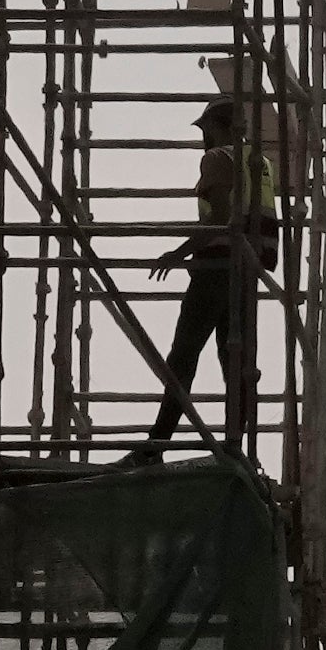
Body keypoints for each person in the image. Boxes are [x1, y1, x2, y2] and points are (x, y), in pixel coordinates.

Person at [125, 97, 275, 463]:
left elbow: (221, 216)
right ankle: (237, 446)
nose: (202, 137)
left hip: (217, 269)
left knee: (183, 356)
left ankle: (155, 445)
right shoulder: (260, 162)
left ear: (218, 126)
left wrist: (178, 253)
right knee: (234, 359)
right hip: (248, 269)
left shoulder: (217, 158)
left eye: (205, 128)